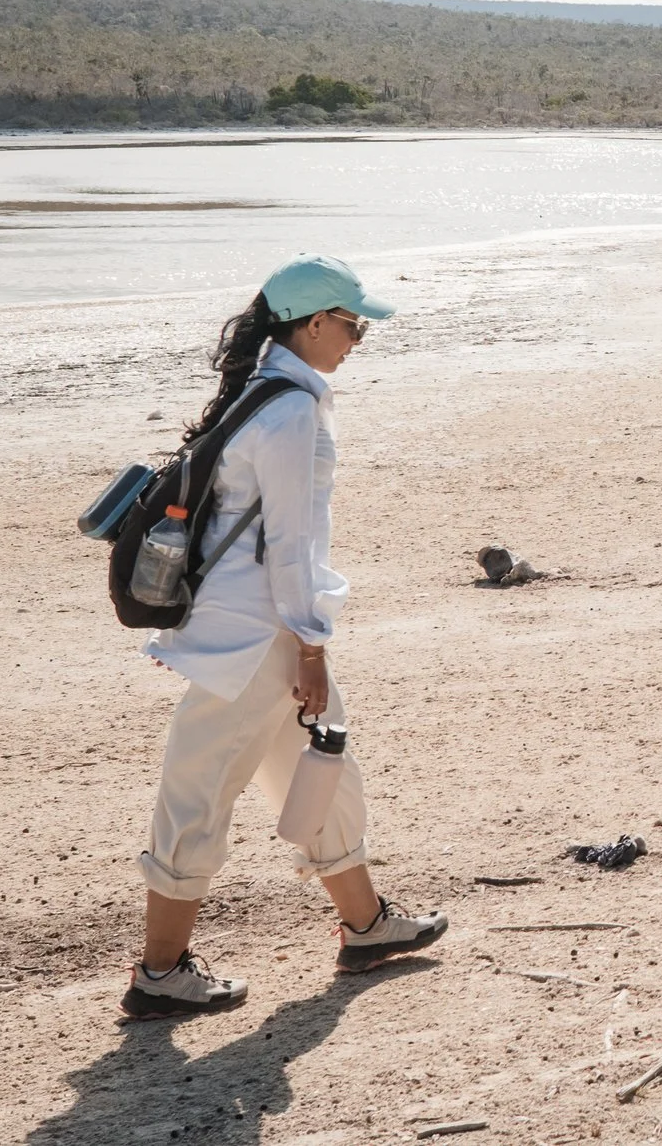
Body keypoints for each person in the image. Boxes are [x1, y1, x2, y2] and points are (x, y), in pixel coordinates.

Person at [125, 255, 447, 1019]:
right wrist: (310, 644)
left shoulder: (262, 391)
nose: (358, 338)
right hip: (259, 633)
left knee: (319, 759)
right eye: (351, 322)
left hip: (248, 623)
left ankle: (366, 925)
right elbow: (293, 544)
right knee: (200, 788)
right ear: (312, 323)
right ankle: (161, 971)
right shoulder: (292, 410)